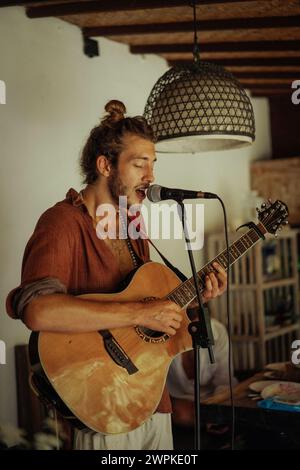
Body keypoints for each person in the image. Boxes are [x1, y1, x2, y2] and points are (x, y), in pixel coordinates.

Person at [6, 100, 227, 450]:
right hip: (101, 409)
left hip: (153, 399)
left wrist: (197, 297)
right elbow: (38, 311)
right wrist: (140, 313)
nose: (151, 176)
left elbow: (147, 319)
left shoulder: (132, 225)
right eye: (140, 164)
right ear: (105, 165)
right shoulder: (62, 223)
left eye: (153, 164)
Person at [167, 315, 237, 429]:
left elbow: (224, 381)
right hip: (178, 400)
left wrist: (214, 410)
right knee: (181, 414)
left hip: (213, 397)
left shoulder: (217, 332)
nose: (193, 330)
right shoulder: (163, 335)